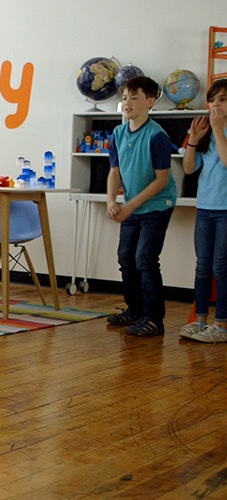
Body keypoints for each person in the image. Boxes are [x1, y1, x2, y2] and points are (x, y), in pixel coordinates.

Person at [104, 76, 177, 337]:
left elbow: (162, 179)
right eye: (124, 98)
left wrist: (130, 205)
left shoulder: (158, 136)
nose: (128, 103)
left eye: (134, 98)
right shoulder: (118, 133)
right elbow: (114, 171)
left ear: (150, 102)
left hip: (157, 204)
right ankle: (134, 310)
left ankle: (154, 319)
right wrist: (112, 201)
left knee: (145, 258)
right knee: (126, 257)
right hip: (131, 206)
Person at [180, 78, 227, 343]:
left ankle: (221, 324)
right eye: (214, 100)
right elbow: (188, 168)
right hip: (205, 207)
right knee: (203, 268)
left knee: (221, 268)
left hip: (225, 210)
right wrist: (194, 141)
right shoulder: (206, 130)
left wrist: (219, 129)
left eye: (223, 100)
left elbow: (226, 160)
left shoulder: (218, 129)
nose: (216, 105)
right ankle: (200, 321)